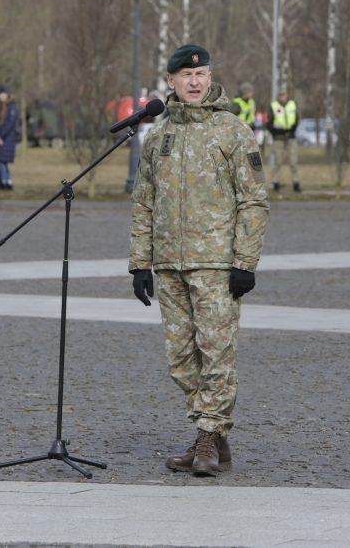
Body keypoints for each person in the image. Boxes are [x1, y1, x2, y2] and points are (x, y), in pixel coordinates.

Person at [129, 44, 269, 477]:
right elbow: (144, 204)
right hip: (170, 264)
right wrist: (140, 263)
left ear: (209, 78)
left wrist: (245, 262)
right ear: (169, 81)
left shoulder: (232, 132)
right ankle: (216, 439)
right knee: (181, 359)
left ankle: (207, 438)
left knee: (217, 354)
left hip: (215, 264)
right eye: (186, 76)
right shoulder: (158, 137)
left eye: (201, 74)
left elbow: (253, 201)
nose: (194, 82)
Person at [267, 88, 301, 193]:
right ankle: (275, 182)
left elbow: (297, 119)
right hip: (278, 137)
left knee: (293, 161)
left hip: (291, 136)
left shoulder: (292, 104)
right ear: (278, 96)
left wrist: (293, 128)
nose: (282, 97)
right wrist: (274, 131)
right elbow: (269, 123)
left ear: (287, 95)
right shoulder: (274, 106)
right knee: (278, 161)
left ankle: (296, 183)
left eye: (284, 95)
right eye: (280, 95)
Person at [0, 85, 19, 191]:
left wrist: (0, 135)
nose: (2, 96)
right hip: (0, 137)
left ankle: (5, 181)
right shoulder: (0, 106)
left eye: (3, 94)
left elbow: (10, 124)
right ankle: (7, 181)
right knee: (1, 161)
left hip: (6, 139)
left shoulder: (11, 107)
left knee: (1, 161)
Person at [231, 82, 261, 147]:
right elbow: (231, 117)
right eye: (250, 92)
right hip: (239, 130)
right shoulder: (237, 103)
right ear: (245, 92)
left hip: (250, 129)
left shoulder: (251, 102)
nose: (252, 93)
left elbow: (252, 114)